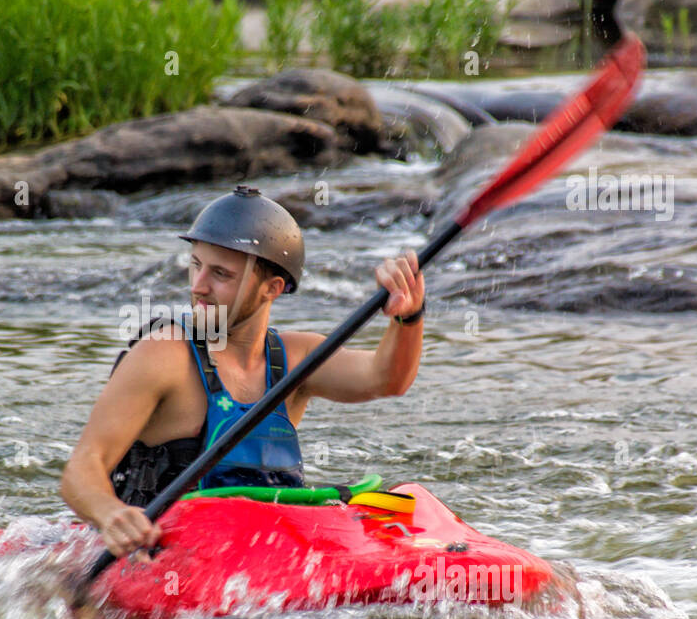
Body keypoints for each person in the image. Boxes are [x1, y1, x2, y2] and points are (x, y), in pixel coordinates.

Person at [60, 185, 425, 558]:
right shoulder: (163, 355)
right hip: (160, 557)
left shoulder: (298, 358)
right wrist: (112, 515)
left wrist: (408, 316)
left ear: (272, 288)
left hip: (256, 555)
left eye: (220, 274)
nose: (198, 287)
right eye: (196, 265)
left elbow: (387, 379)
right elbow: (82, 469)